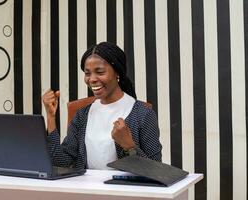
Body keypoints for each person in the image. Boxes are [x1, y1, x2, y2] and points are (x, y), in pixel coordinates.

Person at [42, 41, 162, 170]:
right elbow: (60, 162)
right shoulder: (82, 115)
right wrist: (50, 117)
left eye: (99, 72)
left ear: (117, 73)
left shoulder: (142, 114)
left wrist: (129, 146)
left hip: (124, 190)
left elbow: (156, 170)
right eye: (87, 73)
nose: (92, 79)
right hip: (87, 189)